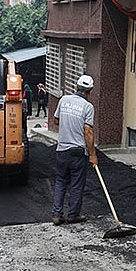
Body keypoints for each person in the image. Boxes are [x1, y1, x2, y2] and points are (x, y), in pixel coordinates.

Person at [51, 74, 98, 226]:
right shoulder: (88, 107)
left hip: (62, 150)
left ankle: (57, 215)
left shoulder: (64, 100)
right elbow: (88, 132)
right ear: (90, 91)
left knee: (60, 182)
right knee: (77, 184)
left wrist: (68, 122)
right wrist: (93, 155)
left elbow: (56, 120)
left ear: (76, 87)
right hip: (78, 153)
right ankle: (73, 215)